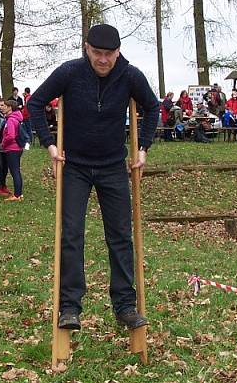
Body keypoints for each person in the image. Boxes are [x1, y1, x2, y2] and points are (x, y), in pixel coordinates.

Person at [27, 23, 159, 331]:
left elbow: (152, 108)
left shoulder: (130, 76)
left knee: (120, 236)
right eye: (97, 53)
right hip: (75, 166)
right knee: (71, 235)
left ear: (118, 52)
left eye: (109, 54)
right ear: (87, 49)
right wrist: (49, 143)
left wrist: (143, 149)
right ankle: (70, 307)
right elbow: (35, 104)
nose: (102, 60)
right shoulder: (70, 72)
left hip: (113, 166)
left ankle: (125, 306)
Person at [0, 99, 25, 201]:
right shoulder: (15, 118)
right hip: (17, 148)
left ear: (10, 108)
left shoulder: (10, 120)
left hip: (12, 148)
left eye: (5, 106)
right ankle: (19, 193)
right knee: (16, 171)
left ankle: (17, 195)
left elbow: (10, 135)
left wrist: (3, 143)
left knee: (15, 171)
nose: (2, 108)